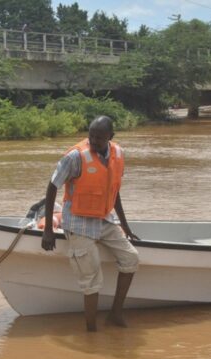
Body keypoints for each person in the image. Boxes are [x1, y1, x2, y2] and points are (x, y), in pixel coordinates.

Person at [41, 116, 140, 332]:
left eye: (99, 138)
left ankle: (115, 314)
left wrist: (125, 225)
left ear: (110, 137)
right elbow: (51, 188)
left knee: (131, 258)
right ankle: (91, 331)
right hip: (78, 223)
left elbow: (114, 192)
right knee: (92, 280)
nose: (93, 141)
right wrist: (48, 230)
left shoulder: (118, 154)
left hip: (104, 219)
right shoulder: (75, 157)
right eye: (91, 136)